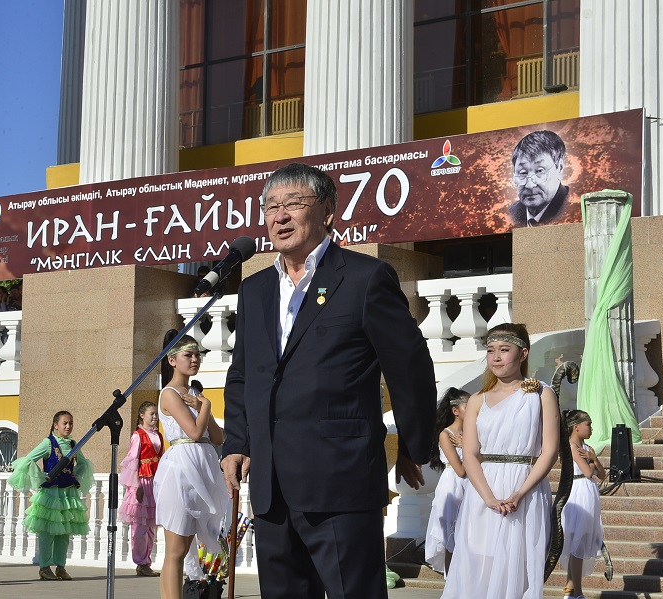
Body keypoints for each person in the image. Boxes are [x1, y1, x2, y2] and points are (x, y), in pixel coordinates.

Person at [221, 162, 437, 599]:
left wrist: (415, 445)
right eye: (270, 206)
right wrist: (237, 443)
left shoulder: (364, 278)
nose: (280, 216)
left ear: (328, 212)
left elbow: (408, 365)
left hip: (341, 481)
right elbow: (244, 374)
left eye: (294, 204)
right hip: (270, 487)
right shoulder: (255, 289)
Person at [442, 323, 560, 599]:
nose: (496, 357)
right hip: (484, 491)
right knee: (479, 565)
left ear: (523, 354)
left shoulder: (540, 394)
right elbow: (470, 454)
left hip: (525, 488)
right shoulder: (477, 400)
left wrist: (519, 492)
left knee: (517, 569)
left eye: (504, 350)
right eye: (491, 350)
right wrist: (488, 498)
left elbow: (550, 451)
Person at [154, 331, 228, 599]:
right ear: (172, 360)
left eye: (197, 354)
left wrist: (202, 403)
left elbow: (217, 437)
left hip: (203, 465)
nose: (195, 359)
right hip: (181, 469)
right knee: (176, 549)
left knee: (187, 547)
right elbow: (194, 433)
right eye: (188, 355)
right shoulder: (170, 393)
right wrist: (205, 405)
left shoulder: (194, 392)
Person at [7, 410, 94, 581]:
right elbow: (28, 459)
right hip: (51, 492)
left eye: (70, 423)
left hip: (68, 494)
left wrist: (75, 473)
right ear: (56, 425)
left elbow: (84, 463)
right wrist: (41, 476)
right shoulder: (48, 443)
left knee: (64, 531)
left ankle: (61, 567)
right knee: (47, 531)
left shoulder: (74, 444)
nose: (68, 426)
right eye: (64, 423)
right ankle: (45, 567)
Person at [560, 410, 606, 599]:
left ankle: (570, 590)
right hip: (578, 491)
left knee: (582, 538)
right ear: (576, 426)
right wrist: (591, 460)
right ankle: (576, 592)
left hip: (589, 492)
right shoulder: (571, 446)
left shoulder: (586, 447)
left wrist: (594, 458)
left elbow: (602, 475)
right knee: (577, 540)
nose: (591, 428)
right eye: (588, 424)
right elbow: (587, 472)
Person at [424, 387, 469, 575]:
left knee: (468, 537)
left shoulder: (473, 433)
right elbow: (460, 469)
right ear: (455, 411)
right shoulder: (446, 435)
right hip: (453, 486)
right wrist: (469, 448)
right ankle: (452, 585)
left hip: (471, 485)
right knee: (451, 538)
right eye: (468, 406)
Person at [119, 401, 164, 577]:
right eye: (151, 414)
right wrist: (135, 485)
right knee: (139, 526)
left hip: (155, 481)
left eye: (156, 414)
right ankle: (140, 561)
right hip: (142, 481)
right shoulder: (138, 435)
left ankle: (146, 561)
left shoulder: (159, 436)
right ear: (142, 415)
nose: (154, 417)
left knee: (151, 525)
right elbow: (132, 460)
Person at [507, 130, 570, 227]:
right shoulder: (509, 215)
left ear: (560, 168)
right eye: (523, 173)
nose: (530, 185)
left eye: (540, 171)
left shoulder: (573, 208)